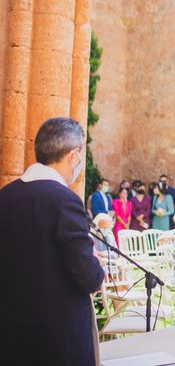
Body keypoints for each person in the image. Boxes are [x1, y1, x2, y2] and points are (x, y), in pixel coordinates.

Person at [0, 117, 104, 365]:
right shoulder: (64, 200)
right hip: (58, 338)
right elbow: (87, 276)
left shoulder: (5, 195)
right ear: (73, 155)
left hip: (11, 331)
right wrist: (96, 264)